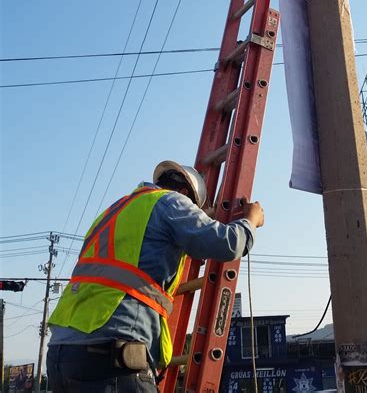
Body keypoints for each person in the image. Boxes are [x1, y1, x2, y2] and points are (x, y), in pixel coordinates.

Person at [46, 160, 264, 392]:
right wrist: (250, 220)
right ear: (184, 194)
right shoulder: (170, 201)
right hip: (111, 357)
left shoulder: (112, 212)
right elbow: (225, 243)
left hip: (61, 355)